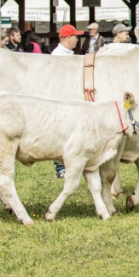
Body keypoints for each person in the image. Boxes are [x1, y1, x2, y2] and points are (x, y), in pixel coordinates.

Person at [49, 24, 84, 177]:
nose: (77, 39)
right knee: (60, 134)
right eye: (76, 36)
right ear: (68, 38)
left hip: (69, 99)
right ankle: (60, 168)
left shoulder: (67, 53)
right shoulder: (58, 55)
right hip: (60, 99)